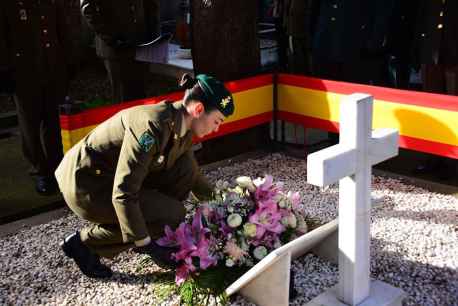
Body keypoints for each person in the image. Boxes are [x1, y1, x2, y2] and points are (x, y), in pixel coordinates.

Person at [57, 74, 235, 278]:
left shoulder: (181, 125)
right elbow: (123, 192)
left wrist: (225, 207)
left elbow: (192, 176)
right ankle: (83, 242)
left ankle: (151, 223)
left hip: (110, 177)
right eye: (217, 121)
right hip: (86, 184)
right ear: (199, 109)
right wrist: (146, 244)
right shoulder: (152, 127)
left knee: (184, 170)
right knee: (172, 215)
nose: (217, 128)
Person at [0, 0, 68, 195]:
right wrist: (5, 70)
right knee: (30, 124)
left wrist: (68, 59)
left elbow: (61, 28)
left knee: (53, 121)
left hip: (53, 67)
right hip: (23, 72)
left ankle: (57, 167)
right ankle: (40, 171)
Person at [80, 0, 160, 104]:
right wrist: (111, 38)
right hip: (116, 47)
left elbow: (151, 5)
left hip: (141, 42)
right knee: (123, 101)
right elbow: (87, 9)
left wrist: (153, 36)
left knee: (140, 100)